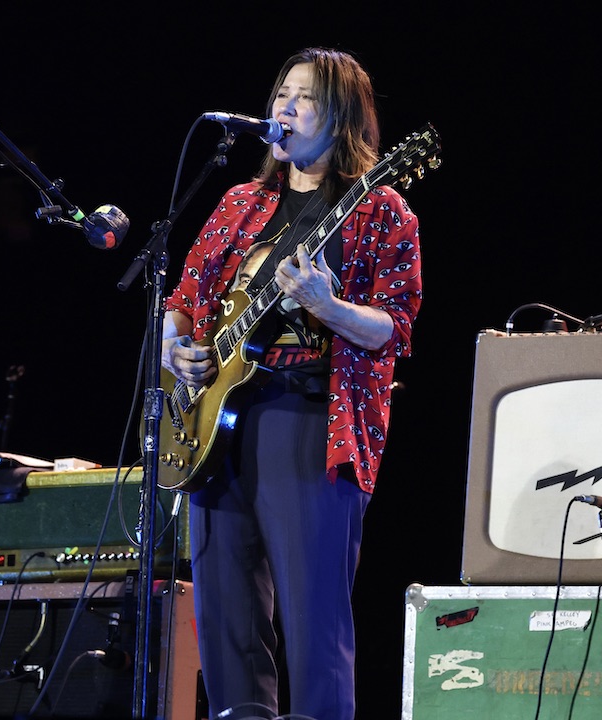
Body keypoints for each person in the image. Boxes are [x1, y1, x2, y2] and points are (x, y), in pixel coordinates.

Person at [162, 48, 422, 720]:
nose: (283, 107)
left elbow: (392, 329)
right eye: (281, 92)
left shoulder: (379, 208)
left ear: (339, 120)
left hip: (307, 418)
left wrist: (328, 306)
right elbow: (185, 297)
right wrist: (176, 352)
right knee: (224, 621)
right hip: (214, 422)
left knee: (313, 620)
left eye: (303, 97)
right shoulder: (240, 202)